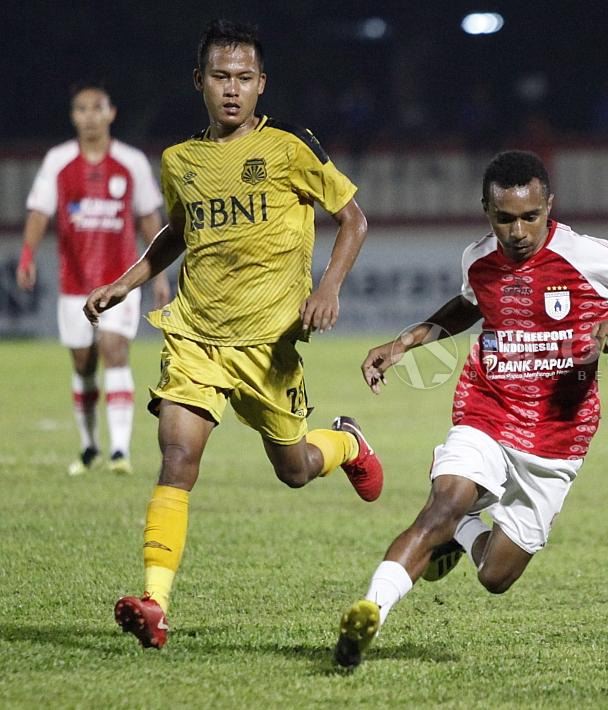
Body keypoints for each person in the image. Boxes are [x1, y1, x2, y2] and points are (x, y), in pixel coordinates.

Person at [83, 19, 383, 649]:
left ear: (261, 85)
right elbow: (178, 231)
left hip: (270, 345)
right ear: (200, 81)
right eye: (220, 76)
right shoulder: (181, 161)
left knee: (296, 468)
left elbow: (352, 219)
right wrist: (129, 280)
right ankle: (156, 603)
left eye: (244, 78)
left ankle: (348, 445)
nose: (232, 89)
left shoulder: (289, 148)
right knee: (178, 455)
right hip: (196, 334)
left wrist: (326, 289)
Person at [333, 150, 608, 668]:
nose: (517, 230)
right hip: (488, 408)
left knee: (496, 576)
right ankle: (369, 612)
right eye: (504, 218)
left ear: (549, 207)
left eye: (529, 216)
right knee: (441, 506)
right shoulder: (478, 258)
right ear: (486, 211)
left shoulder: (583, 255)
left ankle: (464, 532)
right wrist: (405, 342)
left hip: (557, 436)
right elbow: (469, 304)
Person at [18, 83, 171, 476]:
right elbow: (38, 212)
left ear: (111, 113)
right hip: (74, 284)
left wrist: (157, 274)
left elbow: (150, 219)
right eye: (81, 109)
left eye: (96, 108)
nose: (89, 116)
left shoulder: (131, 162)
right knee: (83, 365)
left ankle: (120, 451)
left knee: (115, 350)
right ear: (73, 116)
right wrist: (27, 255)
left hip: (120, 283)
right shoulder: (58, 161)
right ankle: (89, 447)